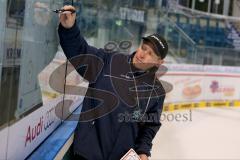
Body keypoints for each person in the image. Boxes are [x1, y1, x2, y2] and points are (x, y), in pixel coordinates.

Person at [58, 5, 170, 160]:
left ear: (159, 62)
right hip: (87, 154)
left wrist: (143, 151)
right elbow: (81, 52)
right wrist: (69, 29)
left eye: (150, 54)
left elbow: (150, 126)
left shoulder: (156, 92)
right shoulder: (109, 61)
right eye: (143, 48)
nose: (143, 54)